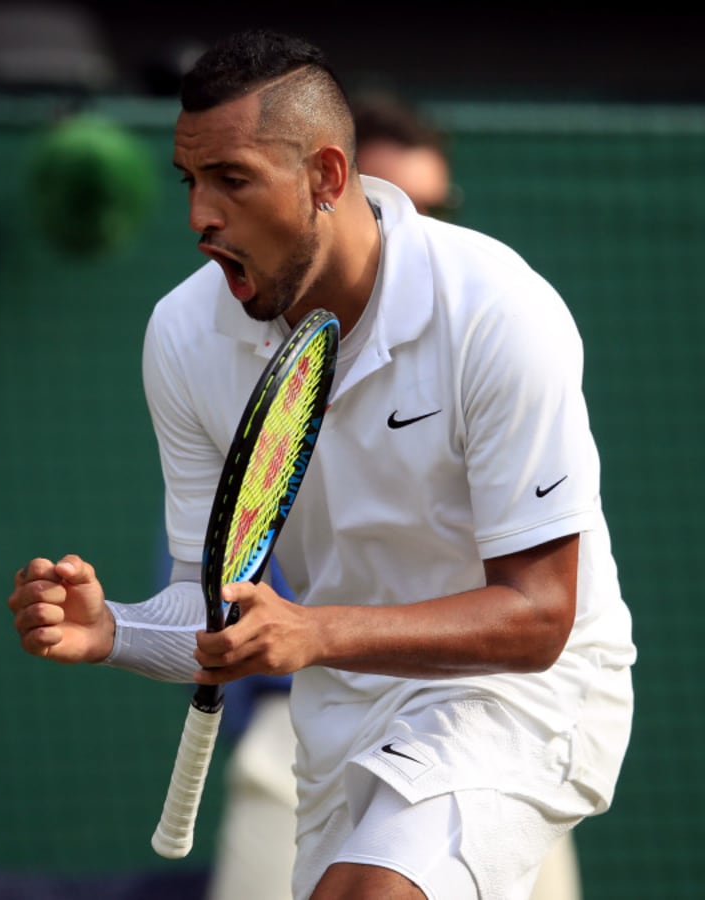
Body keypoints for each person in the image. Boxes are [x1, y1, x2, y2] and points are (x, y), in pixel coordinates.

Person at [8, 28, 635, 900]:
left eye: (232, 180)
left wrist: (316, 632)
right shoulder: (182, 336)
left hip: (521, 695)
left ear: (326, 178)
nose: (199, 218)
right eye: (190, 182)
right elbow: (213, 605)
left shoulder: (498, 311)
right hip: (340, 709)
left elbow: (539, 616)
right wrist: (114, 631)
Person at [206, 91, 582, 900]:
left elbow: (539, 607)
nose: (414, 226)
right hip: (300, 736)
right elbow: (205, 593)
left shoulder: (494, 329)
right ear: (328, 193)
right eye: (390, 201)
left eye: (436, 206)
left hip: (499, 720)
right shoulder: (225, 355)